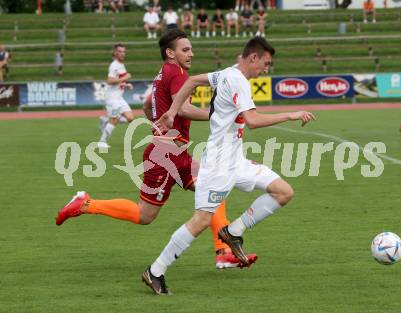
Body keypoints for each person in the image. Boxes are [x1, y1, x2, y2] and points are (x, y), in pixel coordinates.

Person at [56, 30, 256, 270]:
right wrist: (218, 116)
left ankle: (223, 252)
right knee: (145, 215)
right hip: (165, 155)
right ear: (170, 53)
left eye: (191, 49)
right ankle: (85, 203)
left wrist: (159, 122)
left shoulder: (165, 73)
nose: (191, 53)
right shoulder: (177, 73)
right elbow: (183, 110)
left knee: (212, 191)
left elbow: (145, 104)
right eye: (185, 49)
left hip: (174, 152)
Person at [142, 37, 315, 295]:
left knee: (283, 192)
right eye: (265, 63)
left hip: (237, 161)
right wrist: (290, 114)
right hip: (218, 165)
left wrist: (172, 112)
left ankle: (233, 231)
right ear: (253, 58)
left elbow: (191, 81)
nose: (266, 69)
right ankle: (155, 270)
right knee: (200, 221)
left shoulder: (226, 74)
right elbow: (253, 121)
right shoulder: (237, 80)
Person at [97, 44, 134, 149]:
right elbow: (109, 81)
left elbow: (117, 82)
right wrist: (125, 78)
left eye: (124, 51)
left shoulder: (121, 65)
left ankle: (105, 120)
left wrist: (126, 85)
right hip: (112, 98)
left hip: (119, 98)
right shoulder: (114, 65)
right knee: (114, 120)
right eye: (120, 51)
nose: (122, 53)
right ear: (115, 53)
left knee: (130, 118)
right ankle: (102, 141)